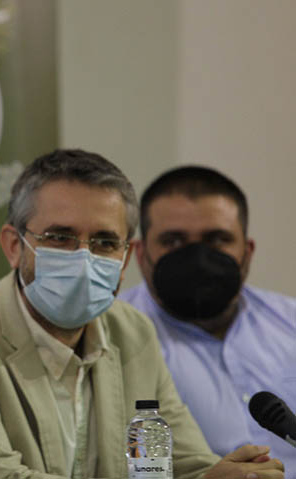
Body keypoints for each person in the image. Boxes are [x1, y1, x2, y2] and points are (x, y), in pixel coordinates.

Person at [0, 150, 285, 479]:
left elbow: (182, 465)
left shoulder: (132, 330)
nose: (83, 258)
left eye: (104, 242)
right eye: (60, 237)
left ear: (126, 256)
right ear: (14, 246)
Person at [119, 165, 296, 474]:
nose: (197, 258)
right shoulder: (112, 337)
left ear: (247, 251)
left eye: (217, 240)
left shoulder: (290, 322)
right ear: (140, 253)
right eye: (173, 241)